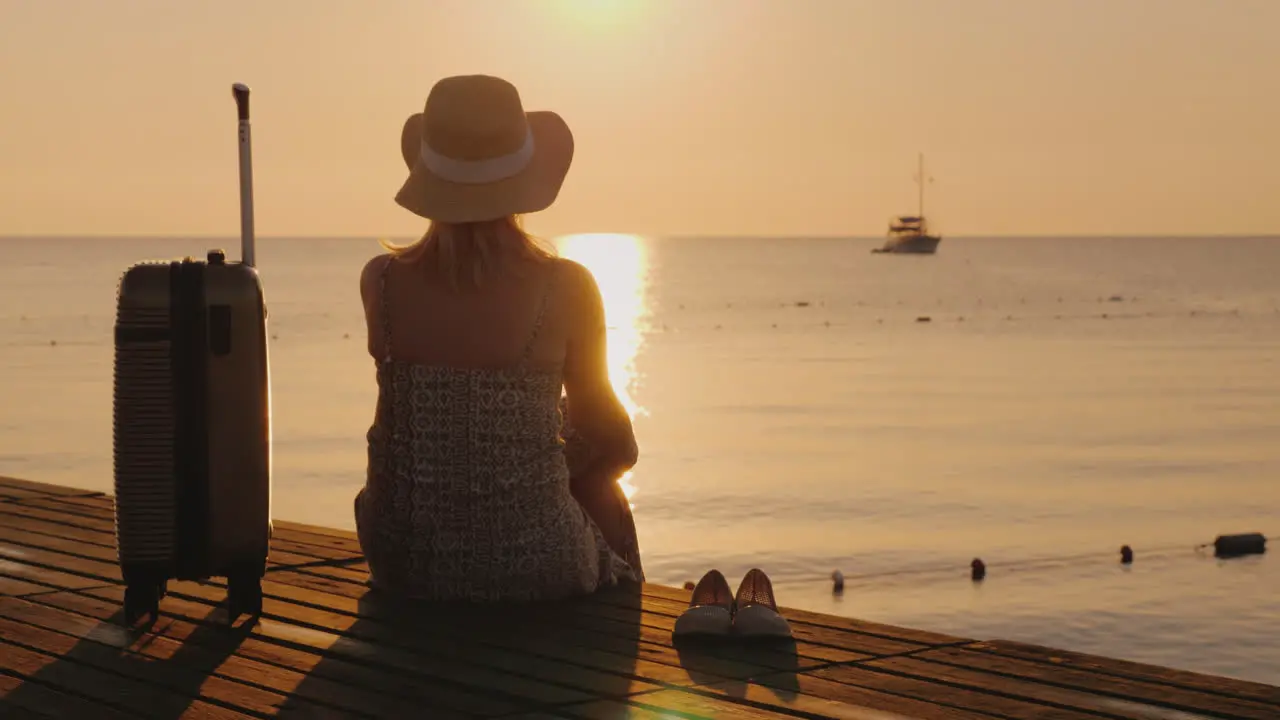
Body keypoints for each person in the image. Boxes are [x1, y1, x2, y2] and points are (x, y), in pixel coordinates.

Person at [353, 74, 643, 602]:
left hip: (402, 560)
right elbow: (607, 432)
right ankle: (617, 642)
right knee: (602, 487)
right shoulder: (566, 285)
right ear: (526, 177)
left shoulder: (381, 281)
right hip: (535, 562)